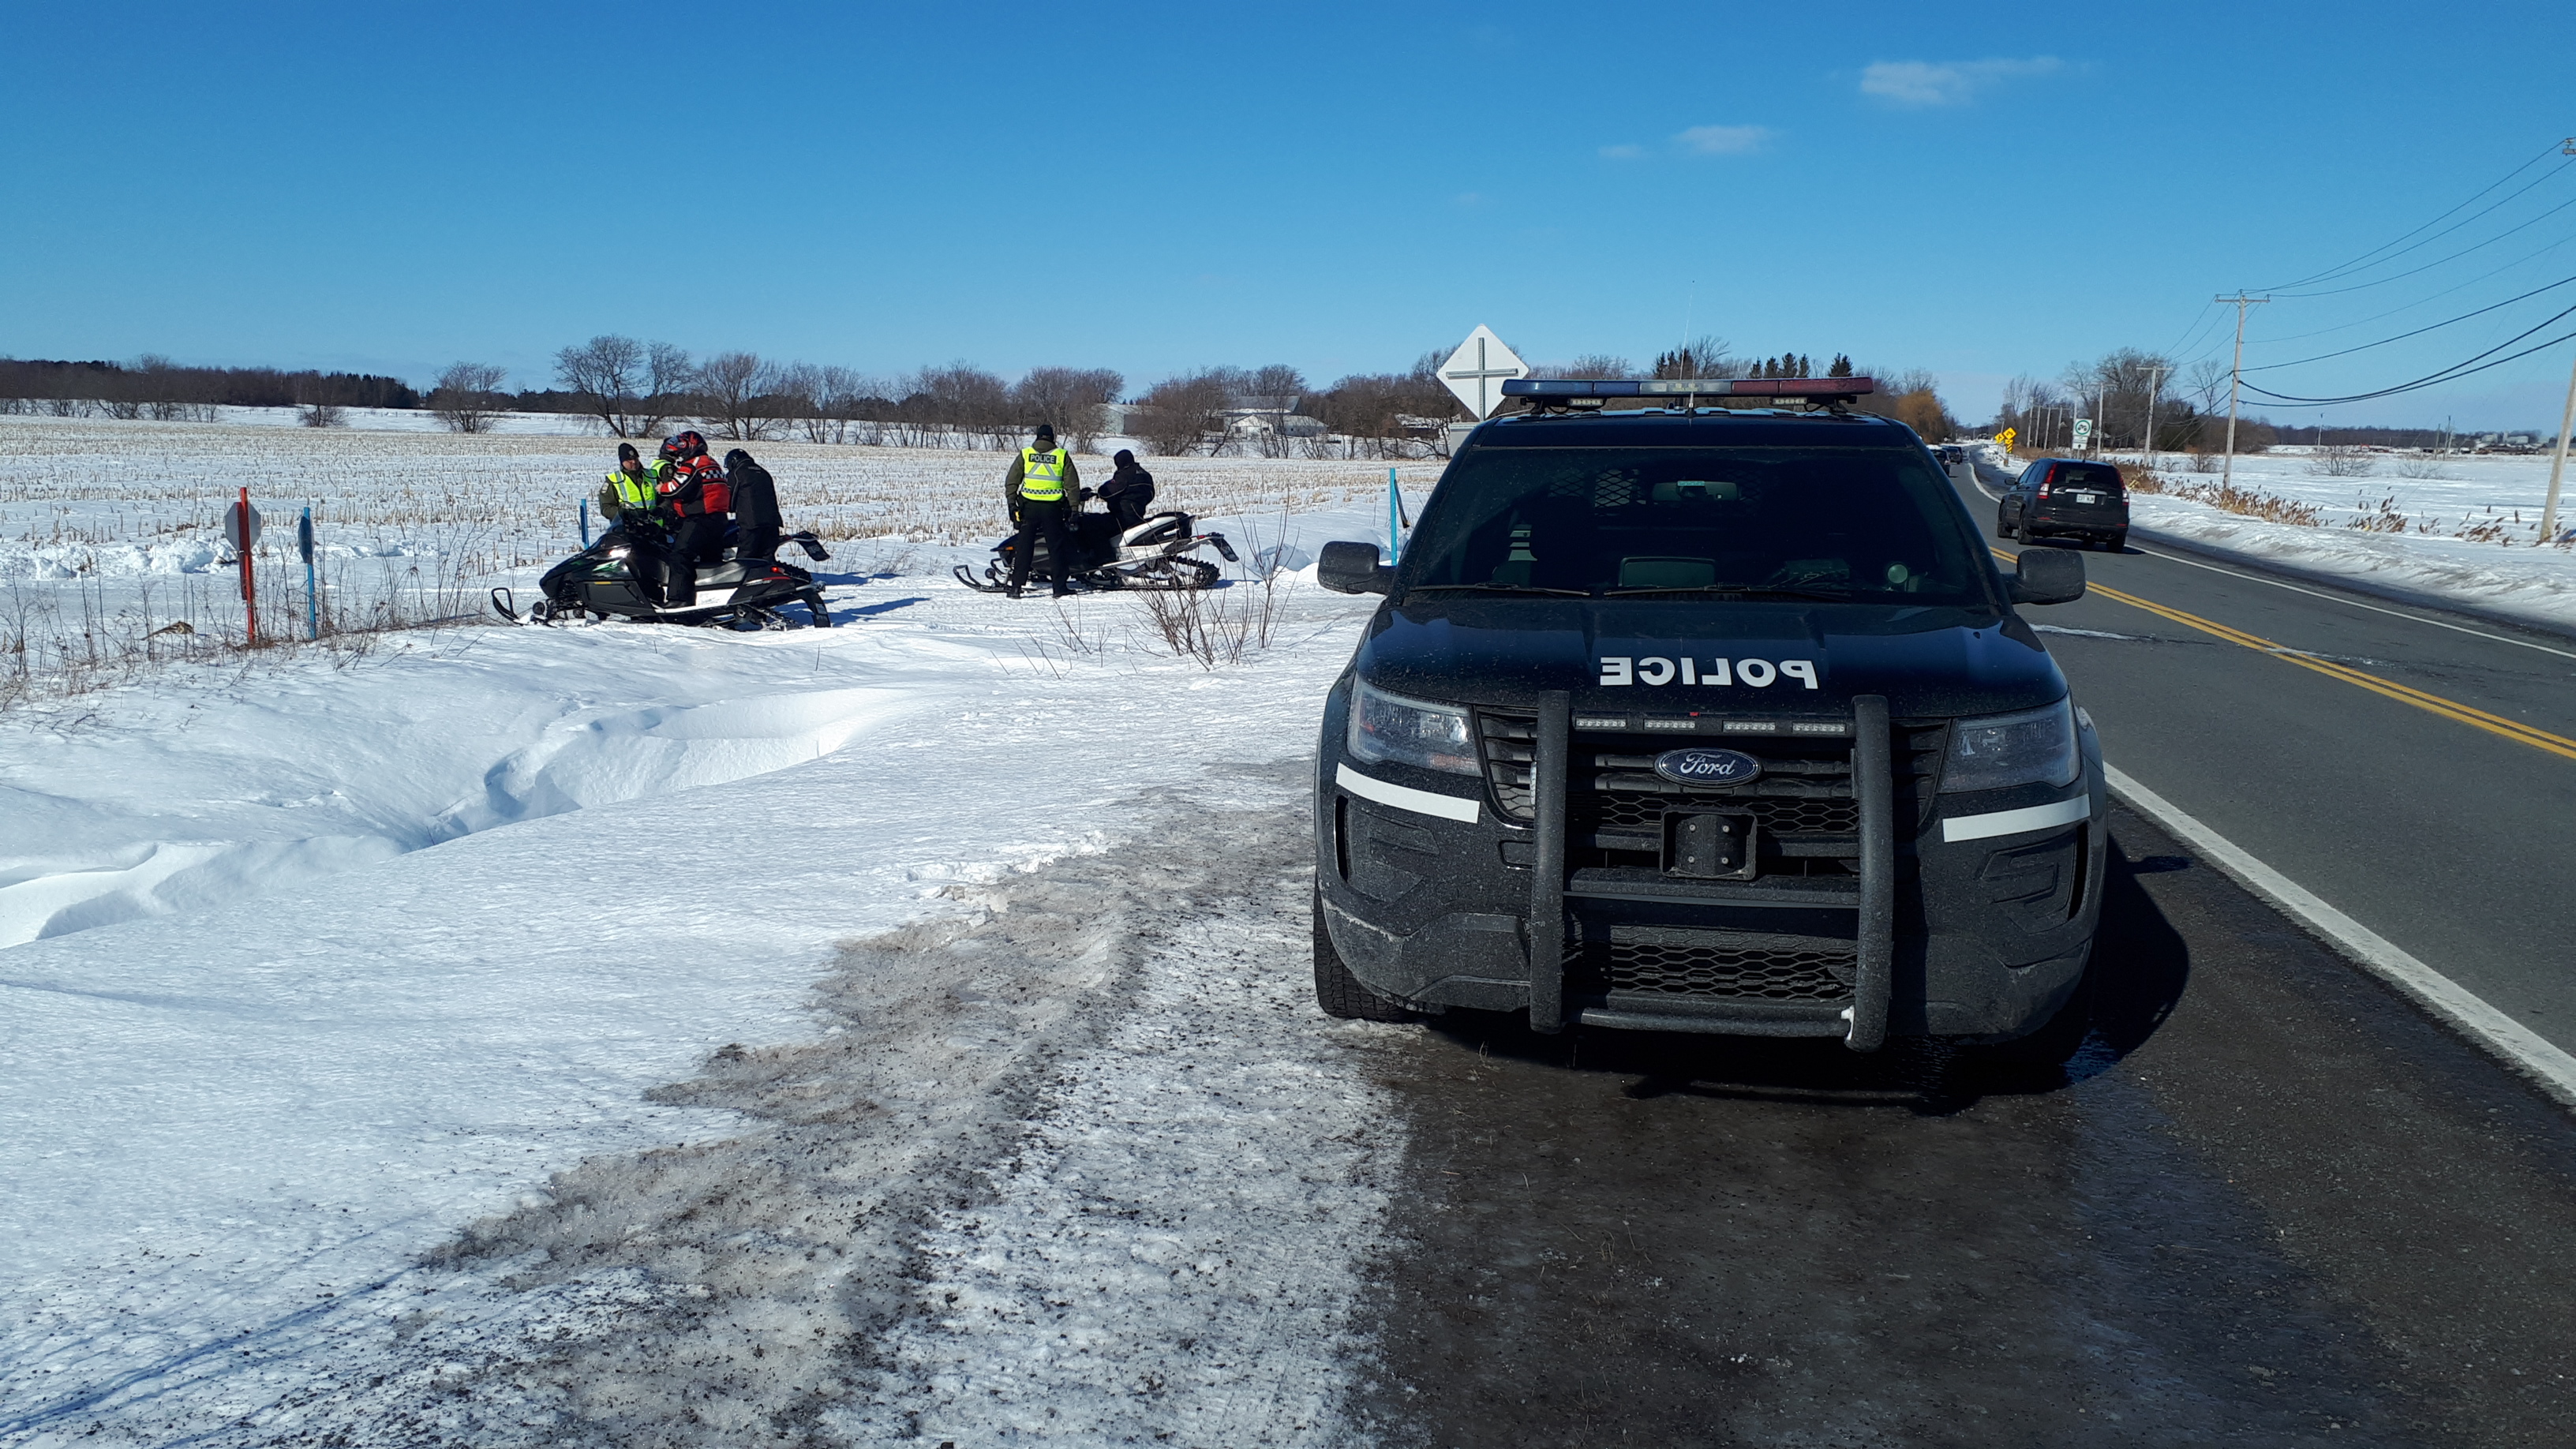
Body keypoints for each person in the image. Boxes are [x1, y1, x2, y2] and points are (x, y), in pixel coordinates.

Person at [1000, 423, 1080, 598]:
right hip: (1052, 509)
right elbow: (1072, 486)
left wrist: (1012, 504)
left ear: (1037, 436)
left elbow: (1012, 481)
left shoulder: (1026, 454)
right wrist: (1074, 508)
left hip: (1028, 508)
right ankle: (1059, 587)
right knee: (1056, 547)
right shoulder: (1061, 455)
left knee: (1024, 547)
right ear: (1053, 438)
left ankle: (1016, 588)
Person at [653, 432, 732, 605]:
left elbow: (676, 488)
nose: (679, 455)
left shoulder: (693, 465)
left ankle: (679, 599)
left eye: (681, 450)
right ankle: (712, 598)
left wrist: (661, 488)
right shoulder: (712, 464)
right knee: (711, 559)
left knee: (680, 556)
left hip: (699, 519)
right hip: (719, 519)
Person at [723, 447, 783, 562]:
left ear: (733, 461)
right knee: (767, 557)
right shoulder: (763, 472)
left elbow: (729, 499)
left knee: (746, 558)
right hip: (772, 521)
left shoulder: (736, 473)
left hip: (751, 522)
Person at [1097, 448, 1157, 531]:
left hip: (1122, 517)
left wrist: (1101, 491)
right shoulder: (1145, 474)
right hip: (1139, 515)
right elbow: (1151, 495)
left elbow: (1109, 492)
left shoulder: (1124, 475)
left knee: (1093, 524)